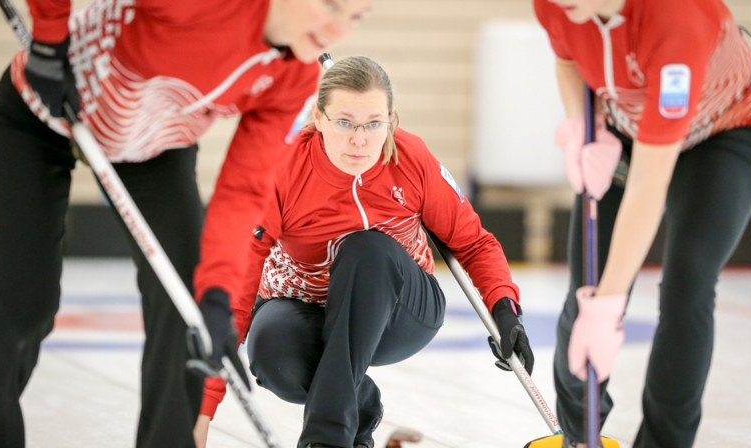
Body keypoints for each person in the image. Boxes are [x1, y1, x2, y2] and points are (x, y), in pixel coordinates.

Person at [0, 0, 372, 446]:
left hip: (155, 142)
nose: (339, 28)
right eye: (331, 5)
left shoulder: (295, 79)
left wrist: (217, 294)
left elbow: (244, 190)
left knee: (189, 310)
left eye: (356, 17)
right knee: (21, 306)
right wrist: (49, 36)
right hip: (44, 110)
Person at [193, 55, 536, 448]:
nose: (359, 140)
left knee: (365, 247)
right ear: (318, 117)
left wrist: (505, 309)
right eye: (344, 122)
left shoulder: (411, 158)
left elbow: (473, 242)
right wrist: (201, 413)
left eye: (373, 123)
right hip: (303, 303)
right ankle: (359, 406)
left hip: (398, 310)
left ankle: (325, 440)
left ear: (391, 119)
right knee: (274, 355)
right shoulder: (284, 168)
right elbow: (237, 285)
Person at [532, 0, 751, 446]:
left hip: (722, 133)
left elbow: (648, 183)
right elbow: (567, 61)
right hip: (624, 128)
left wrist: (608, 305)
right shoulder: (558, 5)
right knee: (587, 285)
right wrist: (585, 125)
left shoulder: (676, 19)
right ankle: (580, 436)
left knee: (688, 284)